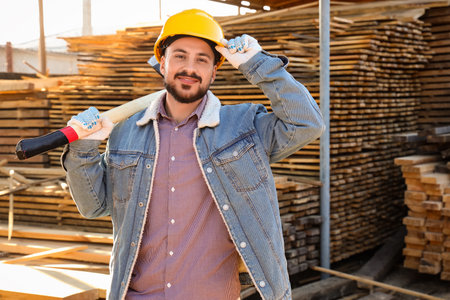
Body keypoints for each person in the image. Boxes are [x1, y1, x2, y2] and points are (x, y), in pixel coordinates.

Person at [62, 8, 325, 300]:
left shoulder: (243, 128)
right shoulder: (126, 134)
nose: (190, 68)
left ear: (215, 71)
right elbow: (93, 206)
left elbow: (306, 123)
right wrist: (84, 149)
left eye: (202, 59)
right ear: (162, 64)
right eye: (180, 56)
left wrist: (258, 65)